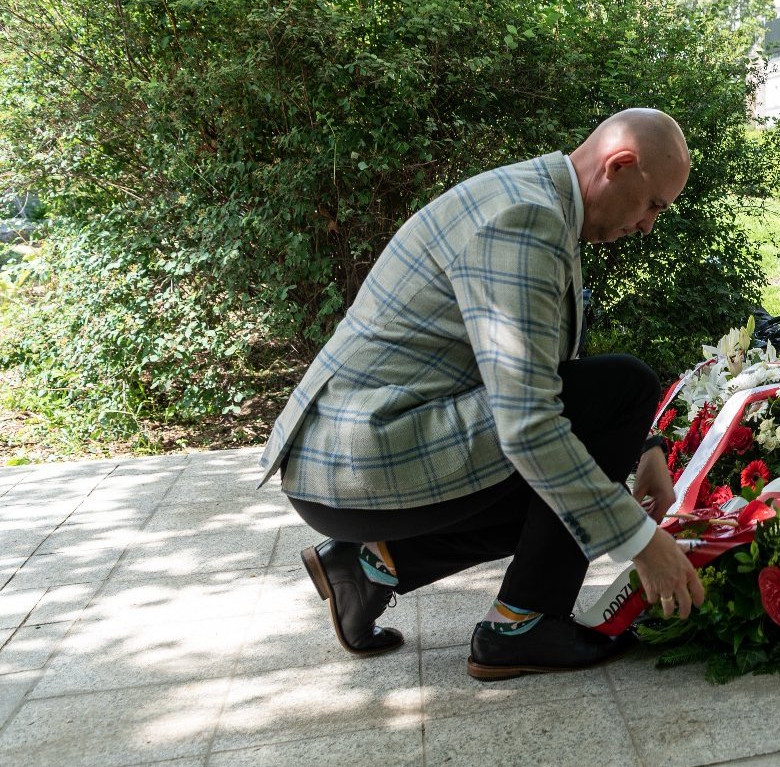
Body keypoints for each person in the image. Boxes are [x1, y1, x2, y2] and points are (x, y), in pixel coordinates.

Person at [259, 109, 707, 681]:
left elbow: (544, 371)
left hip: (350, 462)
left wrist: (644, 449)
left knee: (581, 470)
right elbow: (530, 423)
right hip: (360, 460)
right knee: (621, 391)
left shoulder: (538, 200)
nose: (648, 226)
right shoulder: (526, 220)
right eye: (653, 206)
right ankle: (523, 627)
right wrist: (644, 543)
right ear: (618, 166)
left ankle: (371, 567)